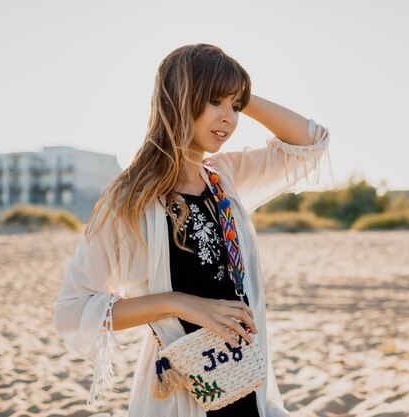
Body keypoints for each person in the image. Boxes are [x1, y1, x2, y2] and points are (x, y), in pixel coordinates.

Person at [53, 43, 330, 417]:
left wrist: (241, 93)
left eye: (235, 106)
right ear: (179, 99)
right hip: (185, 391)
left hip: (246, 379)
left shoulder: (224, 176)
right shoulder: (130, 197)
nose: (229, 118)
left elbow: (310, 141)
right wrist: (179, 303)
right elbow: (72, 310)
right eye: (215, 101)